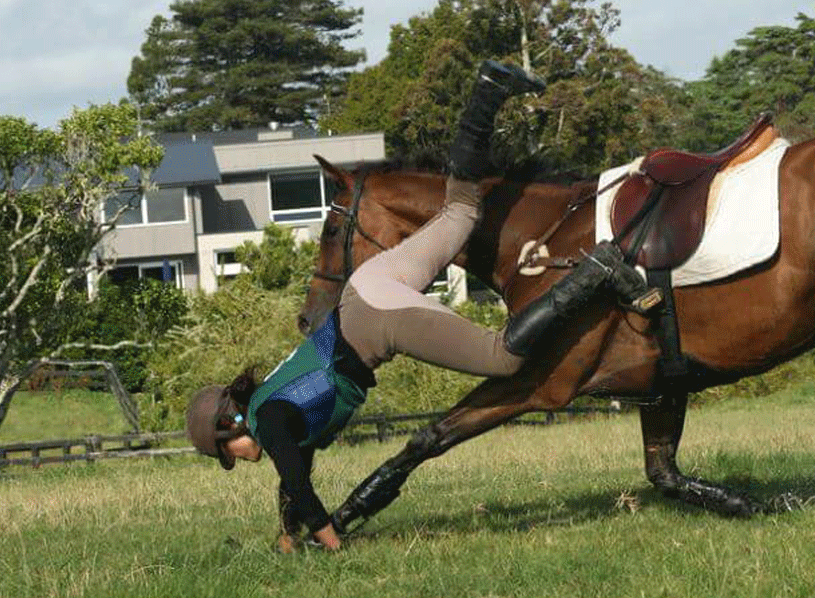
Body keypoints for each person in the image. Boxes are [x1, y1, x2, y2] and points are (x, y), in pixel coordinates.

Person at [185, 61, 653, 553]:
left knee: (503, 357)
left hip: (379, 321)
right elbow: (293, 483)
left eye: (228, 453)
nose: (238, 459)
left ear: (231, 425)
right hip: (367, 286)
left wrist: (332, 545)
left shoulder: (270, 419)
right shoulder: (273, 412)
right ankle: (487, 92)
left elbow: (299, 488)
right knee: (462, 211)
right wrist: (286, 538)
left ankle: (596, 270)